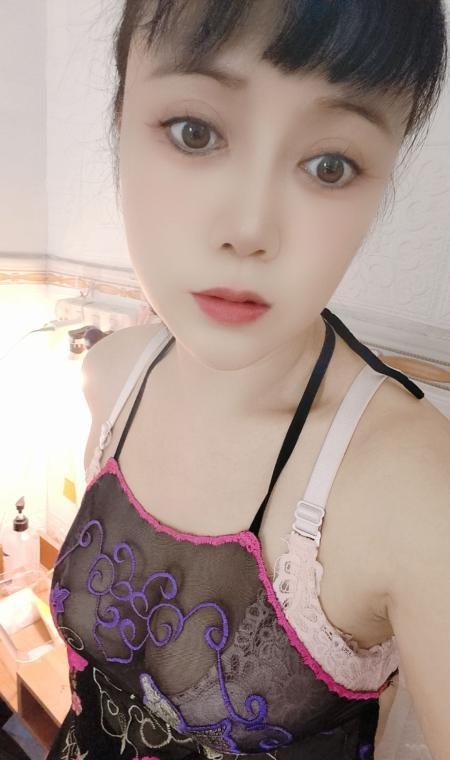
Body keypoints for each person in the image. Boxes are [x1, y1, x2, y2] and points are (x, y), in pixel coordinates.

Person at [46, 2, 450, 759]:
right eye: (194, 132)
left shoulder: (417, 488)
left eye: (330, 165)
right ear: (121, 117)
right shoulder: (111, 375)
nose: (249, 229)